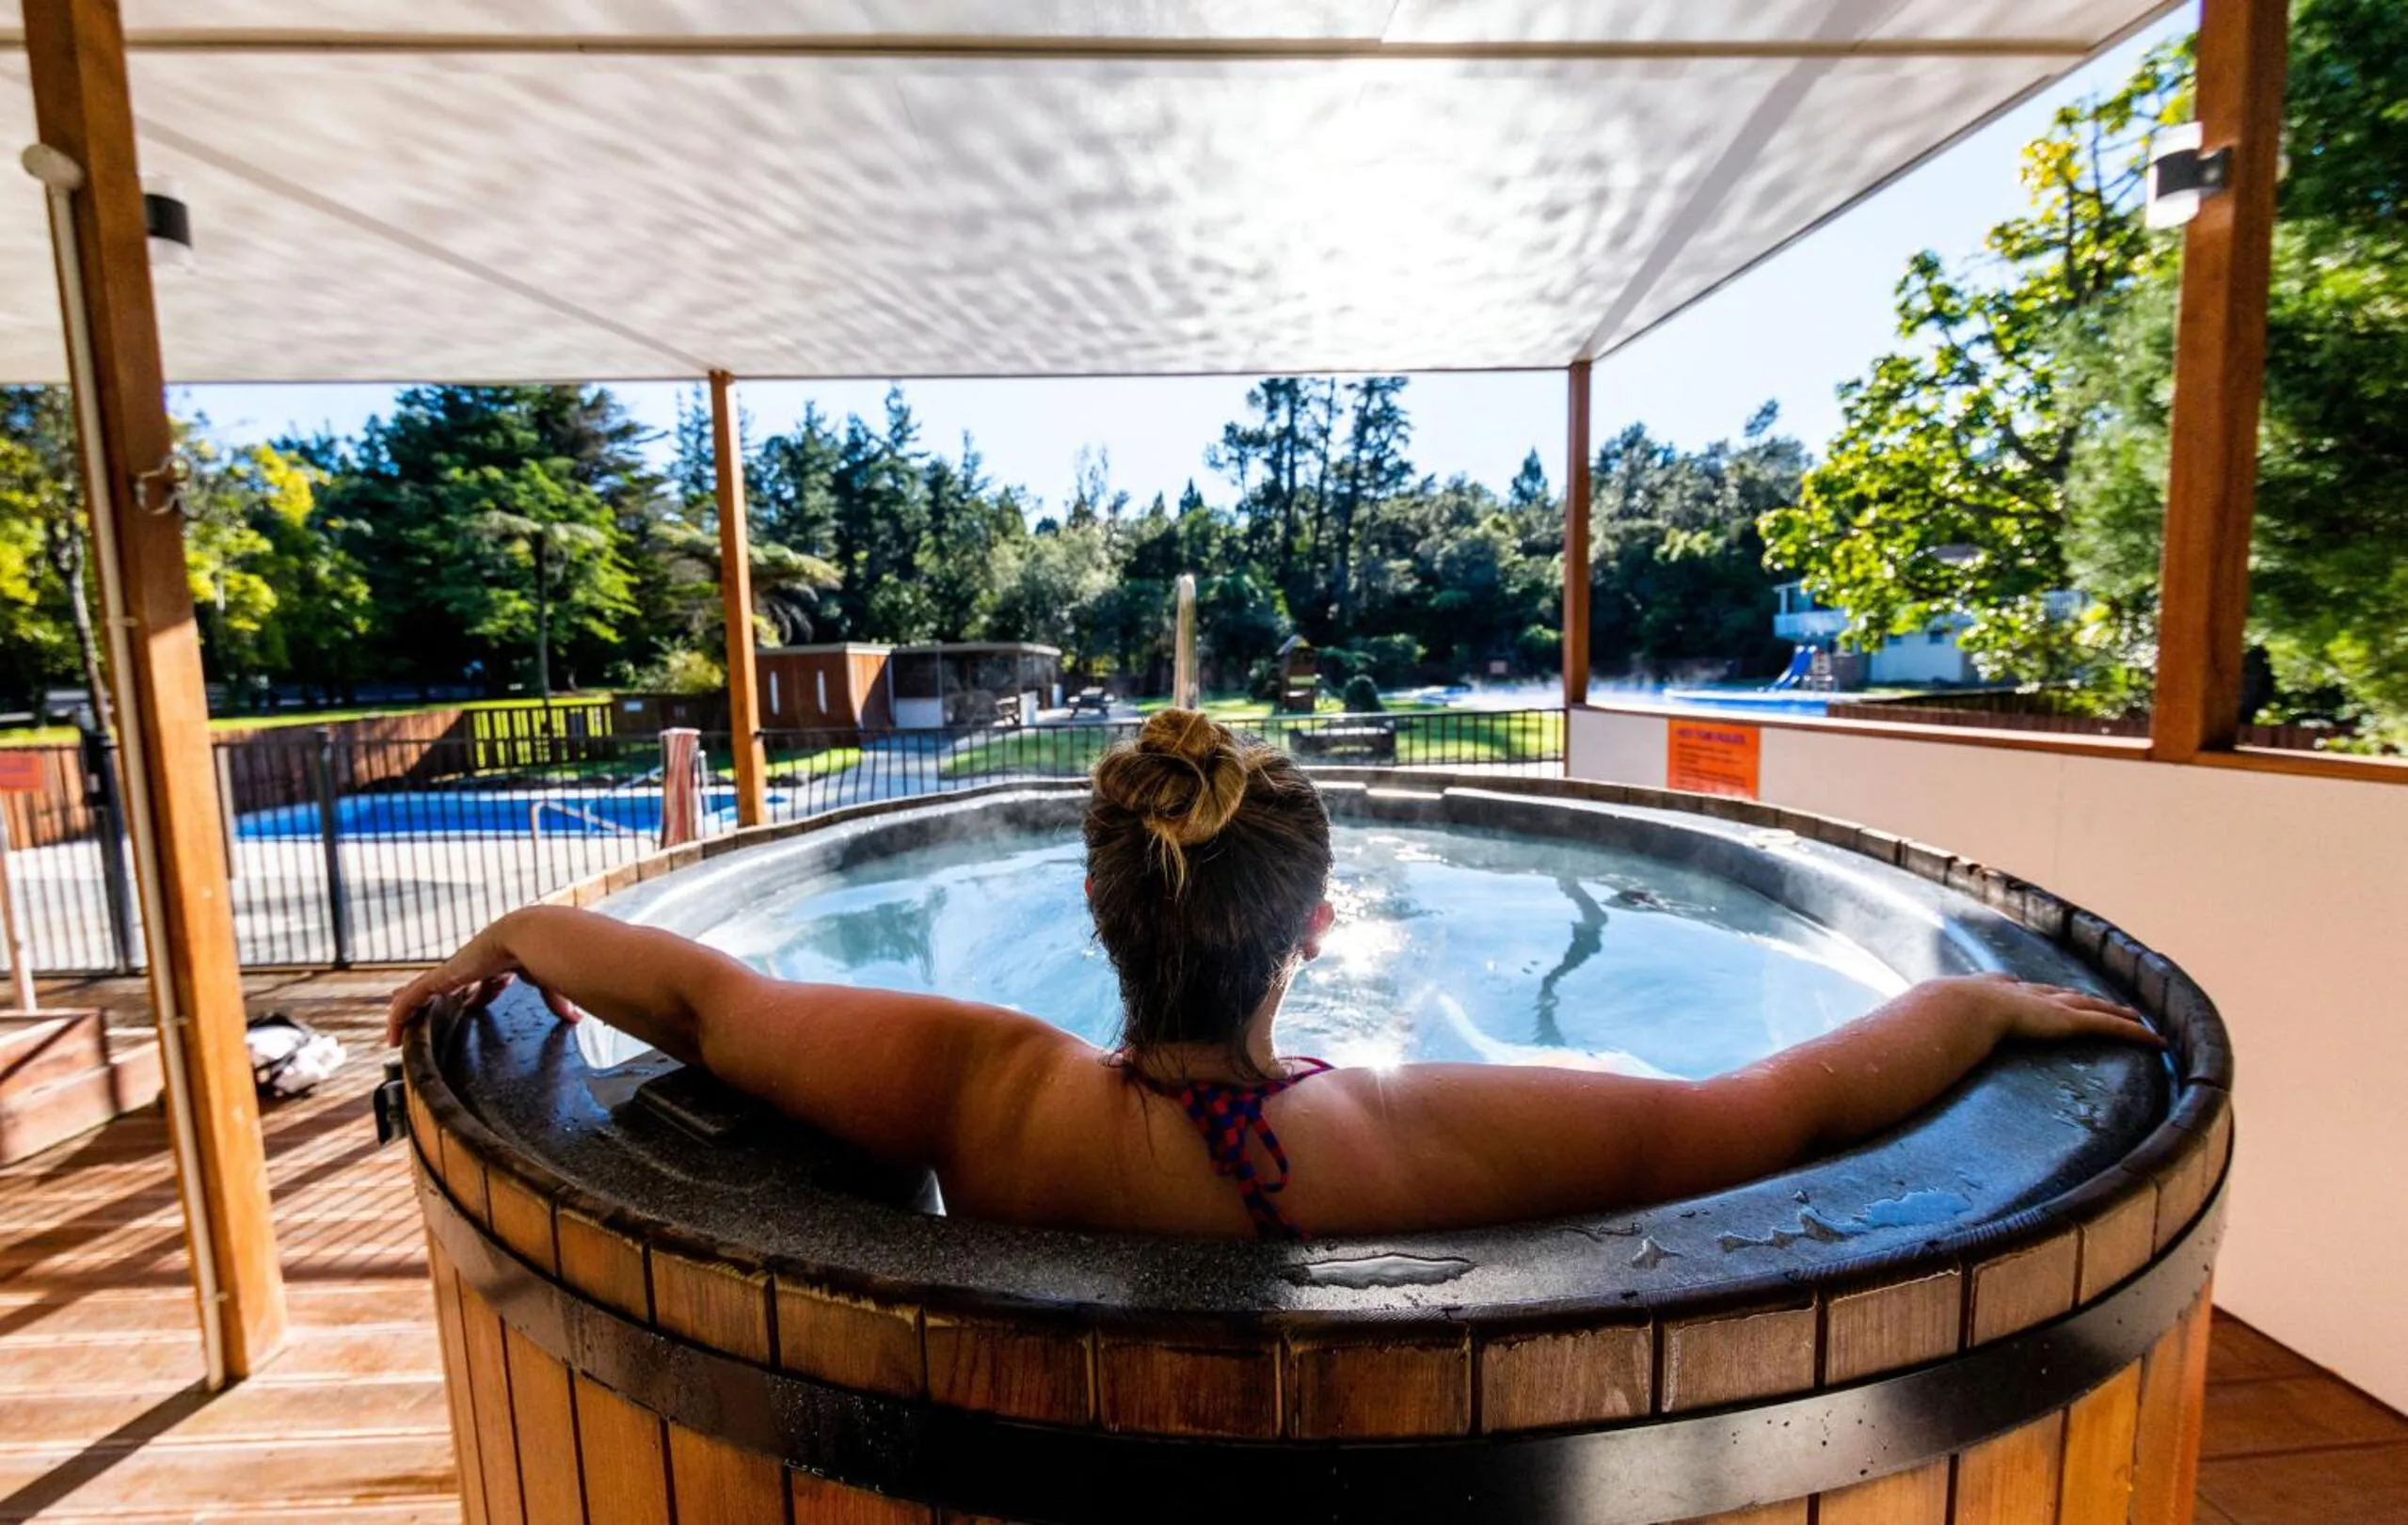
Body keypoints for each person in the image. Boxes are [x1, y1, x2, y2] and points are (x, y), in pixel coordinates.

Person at [385, 709, 2161, 1240]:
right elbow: (1766, 1110)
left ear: (1094, 916)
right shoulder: (1410, 1138)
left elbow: (694, 998)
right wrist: (1974, 1000)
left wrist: (505, 939)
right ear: (1316, 933)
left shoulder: (973, 1086)